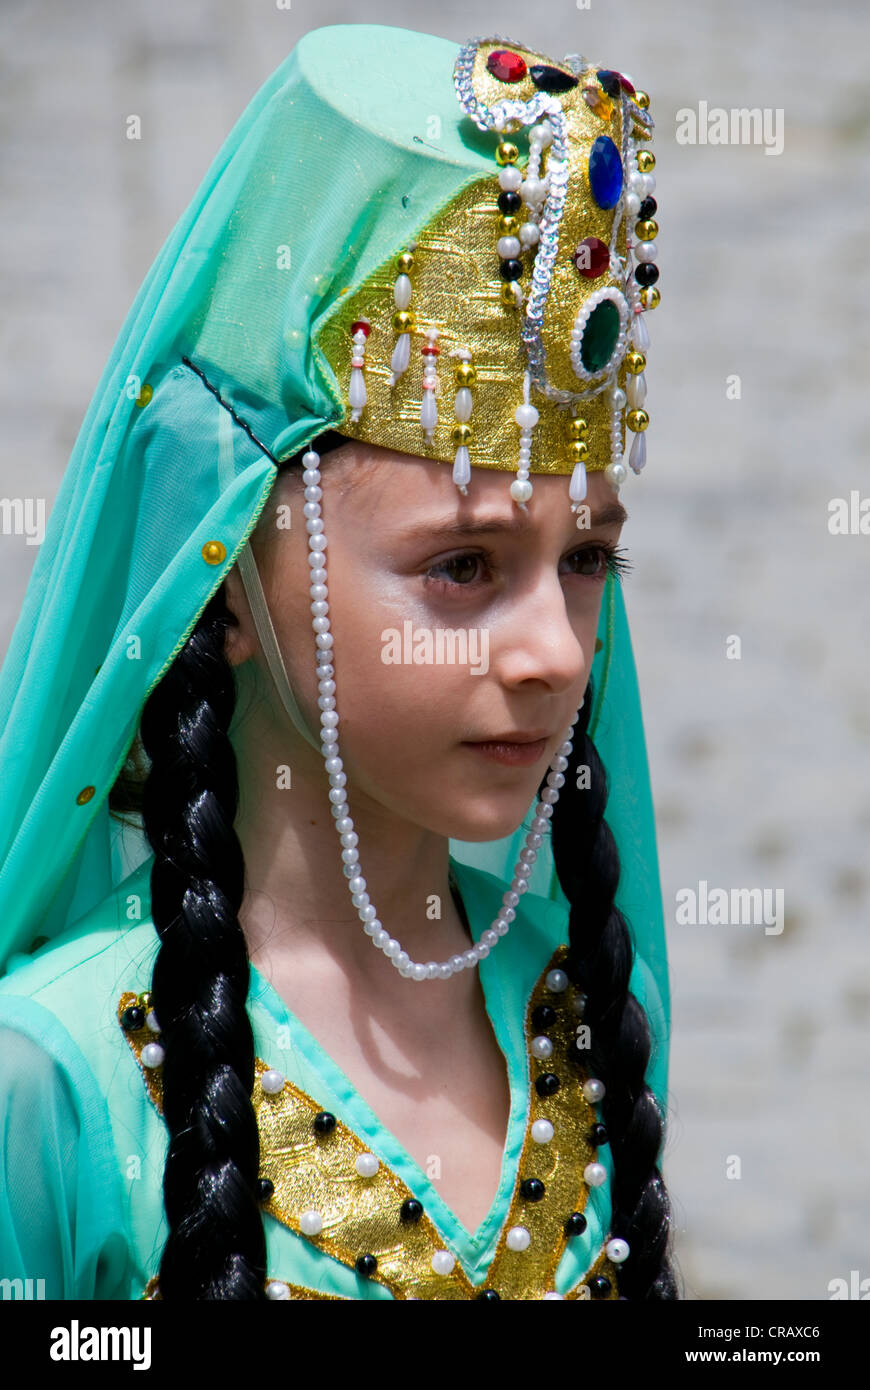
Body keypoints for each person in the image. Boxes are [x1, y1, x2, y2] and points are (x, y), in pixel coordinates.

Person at [0, 24, 677, 1301]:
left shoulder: (582, 1008)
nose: (552, 651)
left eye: (588, 562)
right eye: (463, 568)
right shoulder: (55, 1084)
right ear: (233, 570)